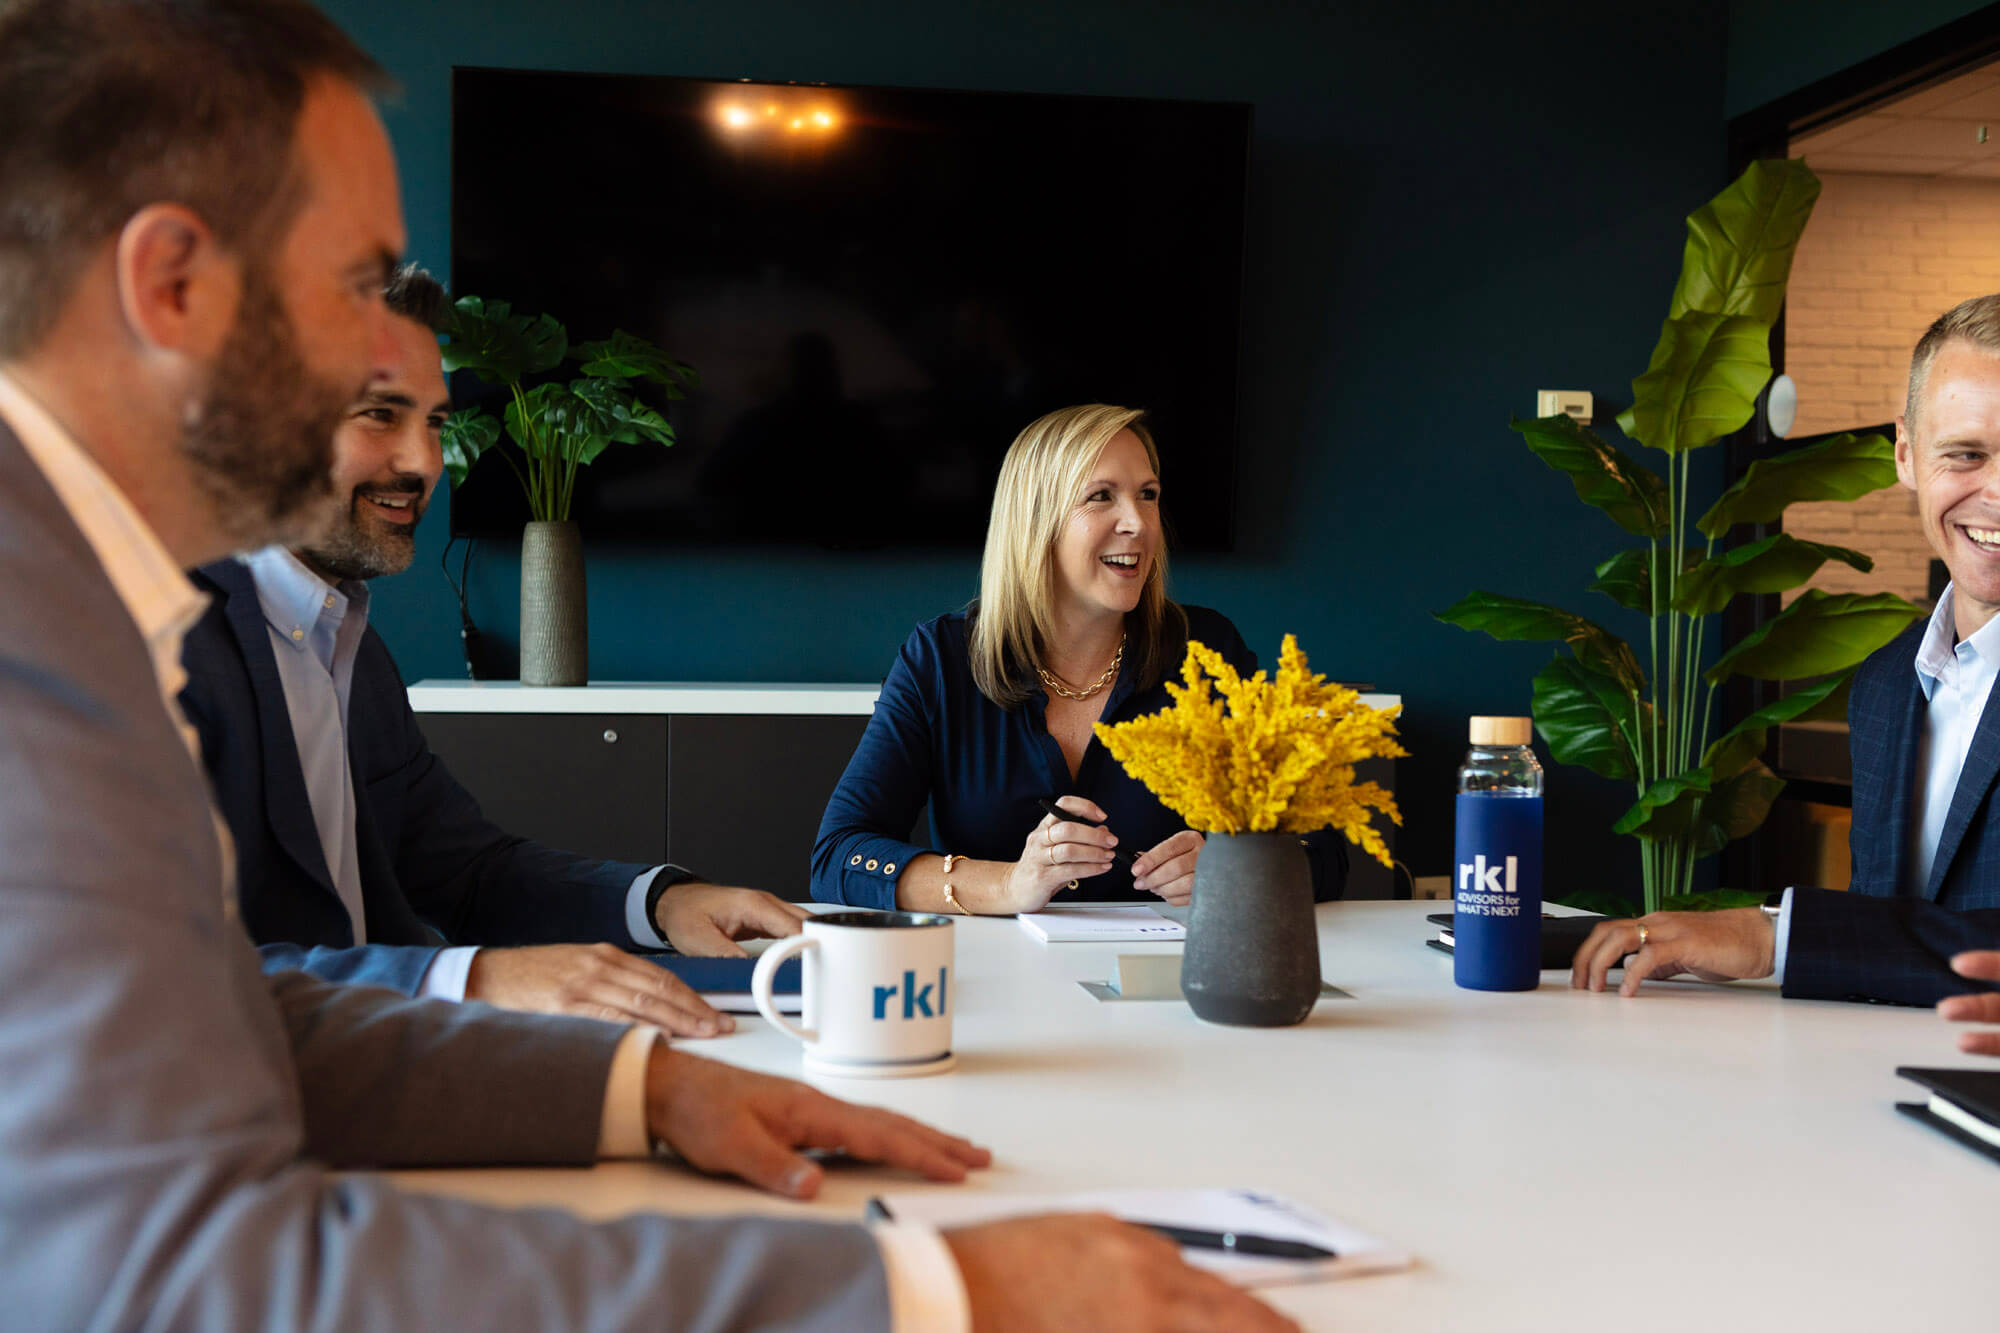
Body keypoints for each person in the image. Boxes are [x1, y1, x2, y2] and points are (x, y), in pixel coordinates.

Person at [0, 4, 1297, 1329]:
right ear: (171, 286)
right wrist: (925, 1288)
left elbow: (232, 1013)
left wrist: (641, 1089)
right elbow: (171, 1275)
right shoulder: (29, 639)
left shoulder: (108, 608)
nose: (404, 363)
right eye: (362, 284)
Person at [182, 263, 804, 1040]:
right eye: (380, 413)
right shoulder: (156, 641)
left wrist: (660, 901)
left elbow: (471, 872)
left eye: (438, 423)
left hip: (382, 1072)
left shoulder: (351, 644)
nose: (424, 462)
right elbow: (169, 975)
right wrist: (475, 977)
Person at [1571, 294, 2000, 1010]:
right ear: (1906, 455)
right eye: (1966, 454)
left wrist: (1774, 937)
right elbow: (1891, 935)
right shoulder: (1887, 685)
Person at [813, 403, 1348, 913]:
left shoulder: (1206, 651)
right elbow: (839, 856)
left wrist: (1235, 870)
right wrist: (1009, 883)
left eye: (1148, 494)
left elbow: (1323, 850)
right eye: (1101, 496)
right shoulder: (942, 659)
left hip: (1171, 990)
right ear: (1035, 521)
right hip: (999, 987)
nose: (1138, 523)